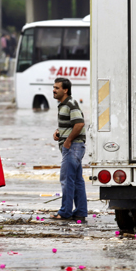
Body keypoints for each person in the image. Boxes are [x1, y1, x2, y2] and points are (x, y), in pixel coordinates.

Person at [50, 77, 88, 222]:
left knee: (66, 180)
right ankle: (80, 212)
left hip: (73, 147)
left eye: (57, 88)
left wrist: (68, 140)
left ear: (65, 90)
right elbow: (71, 124)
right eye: (53, 87)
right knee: (77, 180)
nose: (54, 90)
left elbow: (79, 124)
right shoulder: (63, 105)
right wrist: (59, 132)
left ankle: (65, 212)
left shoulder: (70, 104)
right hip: (74, 146)